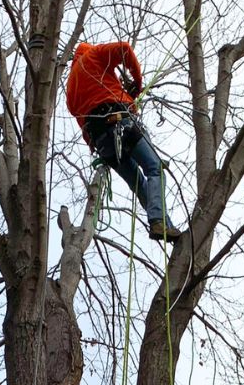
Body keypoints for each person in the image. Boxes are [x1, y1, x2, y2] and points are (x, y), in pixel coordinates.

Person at [66, 41, 182, 242]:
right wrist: (137, 81)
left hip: (103, 144)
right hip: (120, 123)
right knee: (155, 168)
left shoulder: (71, 89)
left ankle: (165, 226)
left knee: (138, 184)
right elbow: (125, 49)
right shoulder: (93, 55)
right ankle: (157, 220)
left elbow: (84, 125)